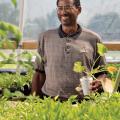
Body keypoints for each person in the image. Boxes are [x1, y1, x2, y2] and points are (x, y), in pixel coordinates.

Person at [31, 0, 107, 101]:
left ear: (78, 10)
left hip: (84, 102)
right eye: (60, 8)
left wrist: (100, 81)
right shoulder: (45, 37)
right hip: (50, 101)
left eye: (67, 7)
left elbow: (102, 72)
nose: (63, 12)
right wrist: (33, 101)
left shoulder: (93, 38)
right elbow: (39, 74)